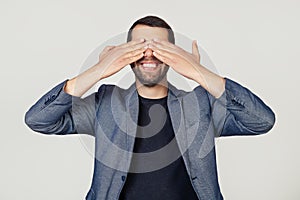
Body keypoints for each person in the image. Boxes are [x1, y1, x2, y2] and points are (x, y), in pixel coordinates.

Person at [25, 15, 275, 200]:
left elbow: (261, 121)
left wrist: (199, 73)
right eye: (139, 46)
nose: (149, 54)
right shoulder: (106, 102)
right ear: (125, 53)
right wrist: (96, 72)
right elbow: (39, 119)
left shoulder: (200, 104)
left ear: (174, 54)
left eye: (159, 47)